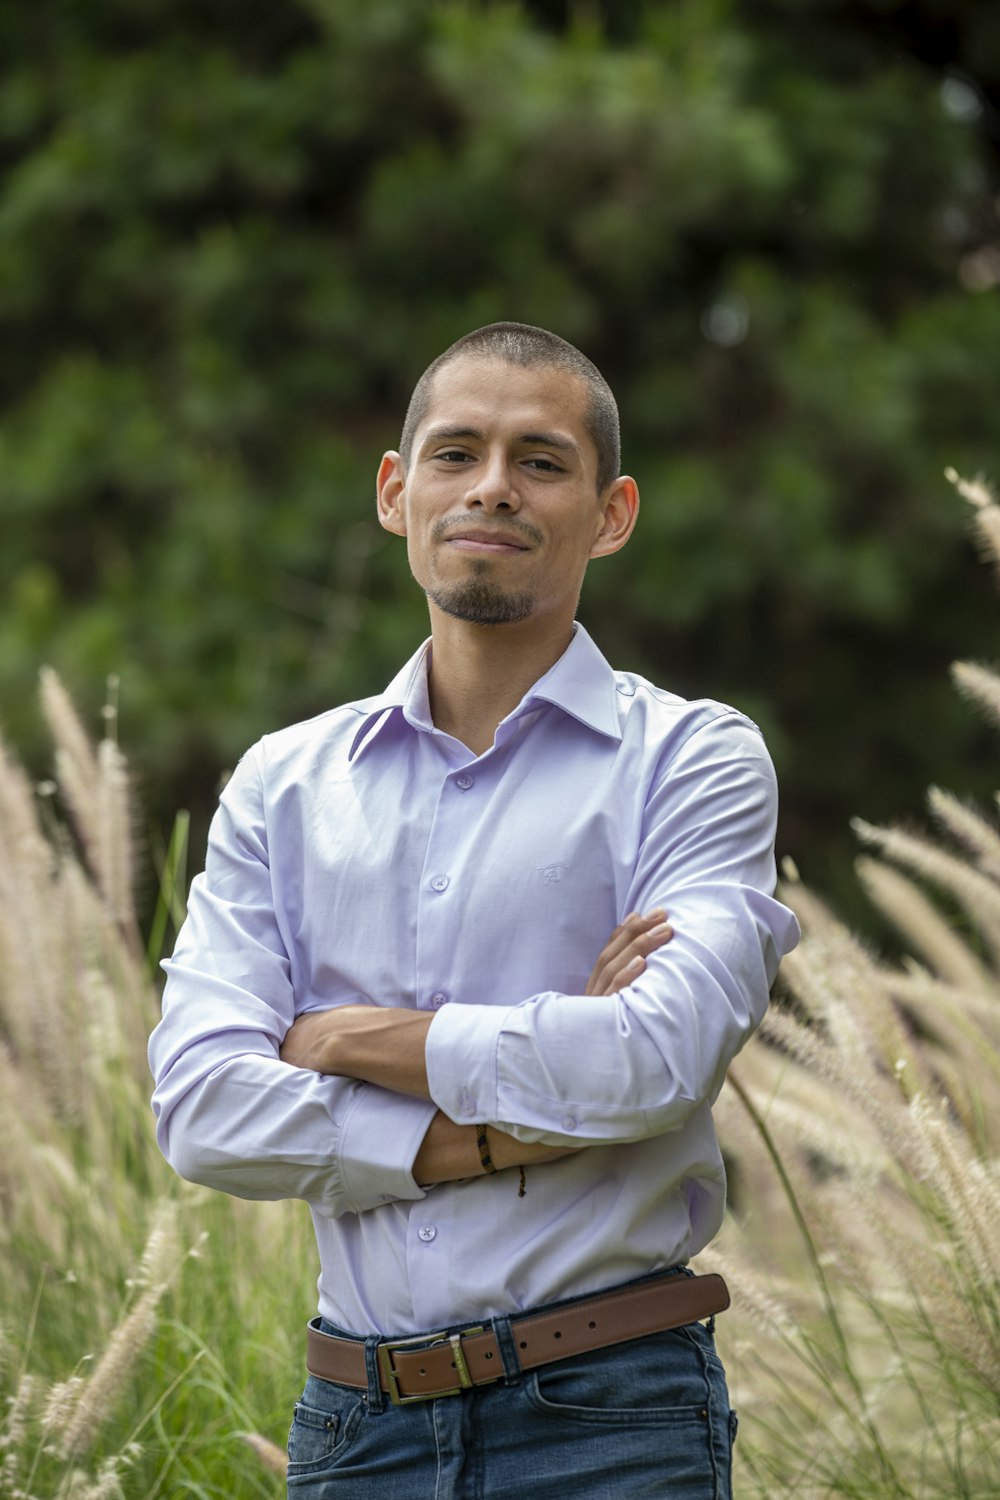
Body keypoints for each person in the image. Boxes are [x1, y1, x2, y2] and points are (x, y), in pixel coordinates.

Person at [149, 322, 799, 1499]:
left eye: (541, 460)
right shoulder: (284, 785)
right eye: (456, 453)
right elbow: (201, 1110)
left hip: (609, 1420)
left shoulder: (692, 760)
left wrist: (342, 1039)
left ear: (612, 513)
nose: (491, 487)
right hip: (354, 1431)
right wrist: (516, 1124)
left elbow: (655, 1062)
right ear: (397, 493)